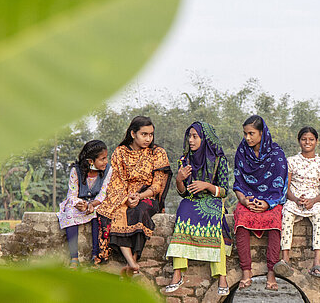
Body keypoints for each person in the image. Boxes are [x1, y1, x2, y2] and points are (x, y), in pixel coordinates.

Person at [96, 116, 172, 275]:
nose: (148, 138)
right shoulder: (120, 152)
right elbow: (117, 180)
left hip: (148, 197)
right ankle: (131, 262)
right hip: (124, 195)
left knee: (139, 212)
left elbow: (158, 185)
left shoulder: (157, 152)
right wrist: (126, 198)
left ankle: (133, 260)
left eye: (151, 134)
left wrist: (140, 196)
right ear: (133, 134)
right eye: (144, 134)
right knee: (116, 212)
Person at [165, 122, 232, 296]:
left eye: (195, 136)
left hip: (212, 200)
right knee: (183, 215)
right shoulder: (184, 160)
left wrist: (207, 186)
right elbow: (183, 192)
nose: (191, 140)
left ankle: (221, 276)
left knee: (216, 223)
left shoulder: (219, 160)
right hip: (191, 200)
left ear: (205, 138)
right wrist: (179, 179)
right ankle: (177, 272)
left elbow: (224, 191)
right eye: (190, 136)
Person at [233, 115, 288, 291]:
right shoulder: (242, 151)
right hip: (248, 199)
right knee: (240, 219)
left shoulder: (276, 154)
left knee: (275, 222)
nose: (247, 137)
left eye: (251, 133)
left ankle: (271, 272)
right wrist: (243, 199)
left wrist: (268, 204)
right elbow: (238, 181)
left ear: (262, 133)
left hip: (270, 201)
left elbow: (281, 184)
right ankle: (246, 271)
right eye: (245, 133)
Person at [274, 127, 320, 279]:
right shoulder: (291, 161)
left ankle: (316, 263)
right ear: (299, 141)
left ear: (316, 142)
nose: (307, 142)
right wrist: (296, 199)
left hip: (314, 201)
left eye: (311, 139)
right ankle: (285, 259)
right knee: (286, 213)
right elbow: (287, 189)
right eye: (304, 139)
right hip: (295, 200)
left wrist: (312, 201)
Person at [57, 140, 112, 268]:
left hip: (97, 202)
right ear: (90, 161)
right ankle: (74, 258)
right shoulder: (76, 171)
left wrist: (92, 204)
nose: (106, 161)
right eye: (102, 159)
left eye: (106, 158)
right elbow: (72, 194)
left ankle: (95, 256)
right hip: (79, 202)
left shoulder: (108, 170)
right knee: (69, 213)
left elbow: (103, 193)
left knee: (99, 214)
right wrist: (80, 204)